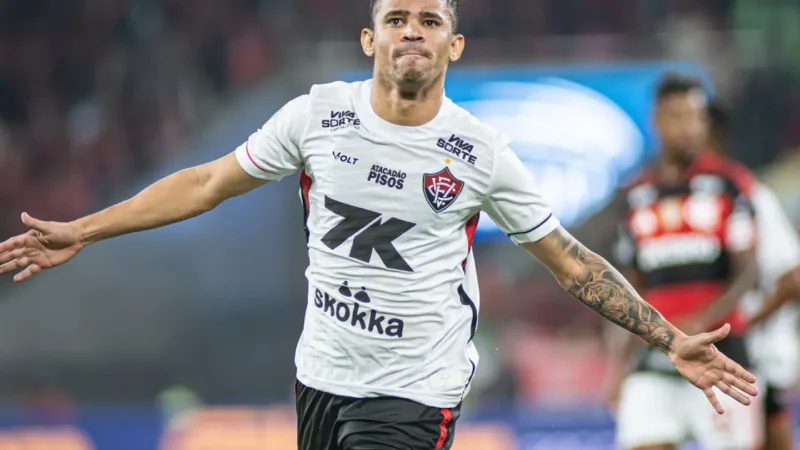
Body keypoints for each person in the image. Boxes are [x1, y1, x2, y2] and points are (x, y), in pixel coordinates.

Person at [0, 2, 758, 449]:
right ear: (371, 40)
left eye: (431, 20)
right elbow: (205, 183)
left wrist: (666, 336)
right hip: (322, 378)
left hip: (417, 388)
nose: (412, 30)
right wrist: (85, 230)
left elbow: (570, 260)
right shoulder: (317, 116)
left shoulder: (479, 151)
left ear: (454, 46)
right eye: (396, 17)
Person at [605, 73, 764, 450]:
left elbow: (748, 273)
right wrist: (619, 367)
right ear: (657, 122)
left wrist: (702, 319)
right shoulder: (635, 197)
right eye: (678, 116)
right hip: (655, 357)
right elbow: (632, 290)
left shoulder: (730, 184)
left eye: (697, 116)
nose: (690, 127)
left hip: (722, 358)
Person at [708, 101, 800, 450]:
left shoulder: (749, 196)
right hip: (719, 353)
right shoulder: (681, 198)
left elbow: (792, 279)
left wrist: (740, 326)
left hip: (756, 356)